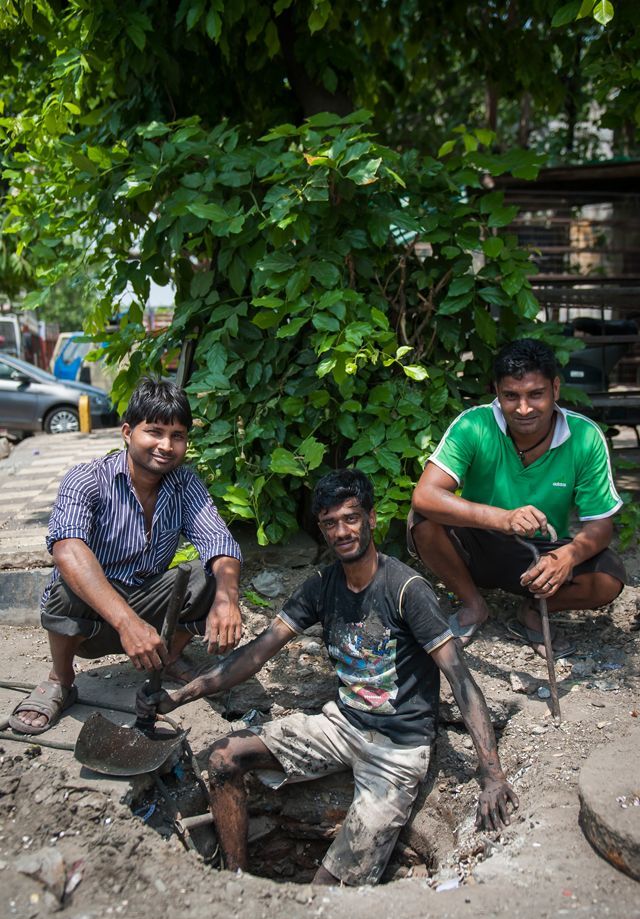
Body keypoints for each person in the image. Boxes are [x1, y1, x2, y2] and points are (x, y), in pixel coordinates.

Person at [137, 469, 517, 886]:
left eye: (351, 519)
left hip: (397, 752)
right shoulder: (322, 584)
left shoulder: (407, 590)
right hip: (339, 726)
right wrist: (180, 696)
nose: (342, 532)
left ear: (371, 519)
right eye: (330, 523)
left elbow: (461, 681)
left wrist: (492, 777)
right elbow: (257, 654)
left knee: (325, 893)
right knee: (223, 759)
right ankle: (238, 883)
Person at [10, 378, 242, 735]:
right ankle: (60, 679)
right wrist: (127, 623)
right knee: (67, 586)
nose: (166, 445)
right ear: (127, 432)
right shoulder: (86, 479)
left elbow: (219, 541)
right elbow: (67, 549)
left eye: (177, 436)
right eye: (154, 432)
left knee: (210, 574)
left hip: (149, 606)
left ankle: (168, 658)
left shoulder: (185, 483)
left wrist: (228, 598)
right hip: (94, 619)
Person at [409, 338, 626, 659]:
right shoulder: (474, 424)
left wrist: (566, 556)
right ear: (497, 391)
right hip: (476, 544)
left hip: (539, 552)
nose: (523, 408)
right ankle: (473, 605)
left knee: (609, 577)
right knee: (423, 521)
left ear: (555, 388)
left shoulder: (584, 436)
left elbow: (601, 524)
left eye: (535, 395)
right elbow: (425, 495)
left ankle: (534, 609)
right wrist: (503, 518)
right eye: (511, 396)